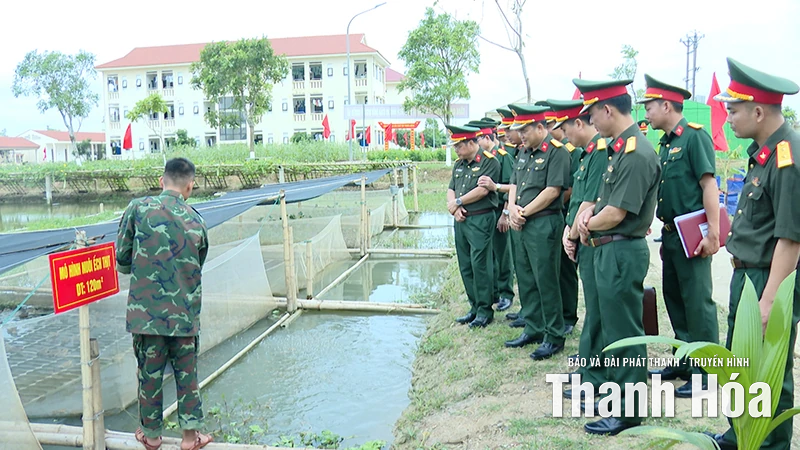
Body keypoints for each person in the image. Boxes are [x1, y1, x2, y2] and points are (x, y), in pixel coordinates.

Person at [704, 58, 800, 450]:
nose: (727, 118)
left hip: (767, 279)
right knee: (741, 361)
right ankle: (739, 435)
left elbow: (790, 238)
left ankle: (771, 445)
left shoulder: (787, 157)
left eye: (733, 110)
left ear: (758, 111)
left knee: (770, 370)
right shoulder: (762, 152)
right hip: (748, 277)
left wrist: (770, 299)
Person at [574, 78, 660, 435]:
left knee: (625, 332)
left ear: (607, 109)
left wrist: (586, 224)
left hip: (621, 249)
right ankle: (617, 395)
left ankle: (629, 409)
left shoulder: (636, 153)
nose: (592, 121)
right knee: (613, 329)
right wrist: (587, 214)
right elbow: (601, 202)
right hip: (608, 248)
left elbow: (616, 214)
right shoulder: (619, 149)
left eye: (593, 113)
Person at [116, 157, 213, 450]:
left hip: (146, 316)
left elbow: (122, 260)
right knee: (188, 377)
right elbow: (198, 264)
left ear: (162, 181)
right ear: (190, 186)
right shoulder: (197, 220)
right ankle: (189, 439)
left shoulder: (138, 209)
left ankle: (152, 436)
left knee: (149, 374)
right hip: (183, 317)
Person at [638, 74, 721, 398]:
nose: (646, 112)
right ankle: (686, 362)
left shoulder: (693, 138)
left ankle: (706, 374)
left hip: (693, 237)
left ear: (666, 105)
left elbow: (708, 185)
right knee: (675, 301)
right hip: (671, 236)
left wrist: (713, 234)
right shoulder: (666, 142)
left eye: (650, 106)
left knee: (698, 305)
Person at [480, 104, 570, 360]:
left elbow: (553, 190)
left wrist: (524, 212)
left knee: (546, 279)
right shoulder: (523, 152)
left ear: (540, 127)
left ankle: (553, 335)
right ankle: (533, 327)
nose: (521, 135)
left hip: (543, 222)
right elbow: (515, 184)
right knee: (527, 277)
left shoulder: (557, 152)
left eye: (525, 130)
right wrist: (511, 210)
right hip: (522, 222)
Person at [548, 99, 609, 397]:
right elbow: (577, 202)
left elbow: (590, 201)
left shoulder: (599, 153)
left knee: (597, 309)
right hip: (580, 237)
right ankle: (589, 365)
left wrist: (569, 235)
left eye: (566, 128)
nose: (564, 135)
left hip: (591, 240)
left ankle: (595, 372)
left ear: (580, 124)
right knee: (592, 307)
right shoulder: (585, 156)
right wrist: (568, 231)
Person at [447, 124, 502, 328]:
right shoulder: (458, 164)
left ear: (471, 143)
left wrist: (459, 203)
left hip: (480, 218)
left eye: (459, 146)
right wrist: (454, 208)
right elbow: (451, 188)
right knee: (465, 264)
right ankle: (474, 306)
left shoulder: (489, 162)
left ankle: (485, 310)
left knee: (480, 264)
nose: (456, 150)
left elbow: (482, 192)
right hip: (461, 219)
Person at [467, 118, 515, 312]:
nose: (477, 144)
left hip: (499, 211)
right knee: (490, 255)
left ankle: (506, 292)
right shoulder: (482, 159)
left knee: (503, 254)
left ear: (487, 138)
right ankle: (493, 291)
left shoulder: (502, 157)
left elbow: (510, 187)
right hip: (485, 212)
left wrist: (505, 214)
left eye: (479, 139)